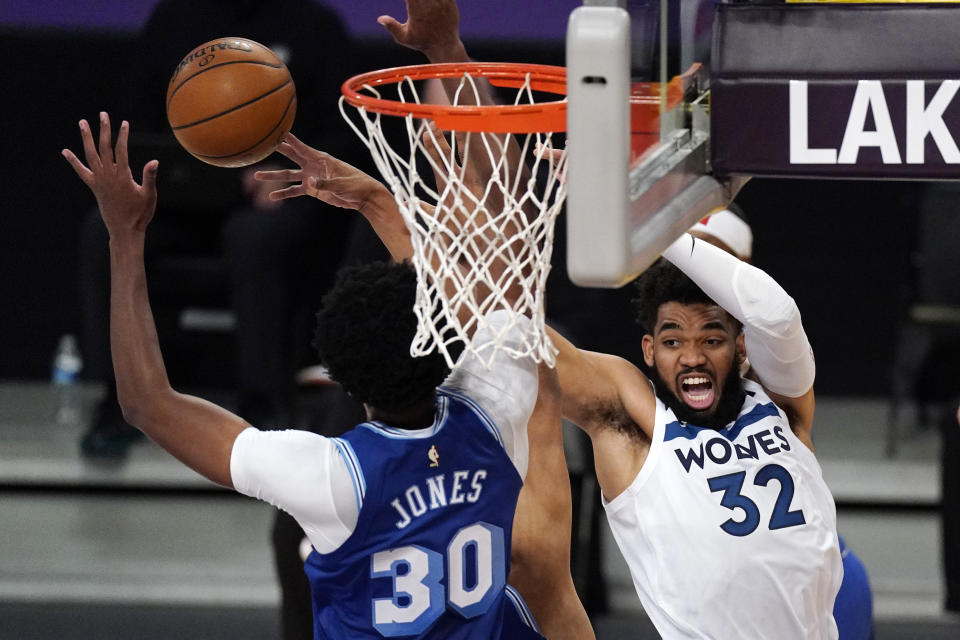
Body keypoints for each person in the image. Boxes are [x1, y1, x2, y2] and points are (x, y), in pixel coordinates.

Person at [62, 112, 573, 638]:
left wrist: (124, 238)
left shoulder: (332, 478)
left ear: (341, 379)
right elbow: (469, 305)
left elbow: (146, 403)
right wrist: (376, 200)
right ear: (438, 342)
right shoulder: (500, 406)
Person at [78, 0, 358, 459]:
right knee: (103, 229)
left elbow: (340, 135)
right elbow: (139, 121)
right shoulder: (174, 19)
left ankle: (264, 405)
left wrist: (285, 172)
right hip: (181, 199)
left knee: (253, 238)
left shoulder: (314, 27)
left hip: (273, 197)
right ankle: (117, 400)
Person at [693, 205, 876, 639]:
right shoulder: (668, 356)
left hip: (811, 587)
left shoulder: (767, 354)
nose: (695, 277)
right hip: (720, 586)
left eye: (709, 257)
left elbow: (771, 313)